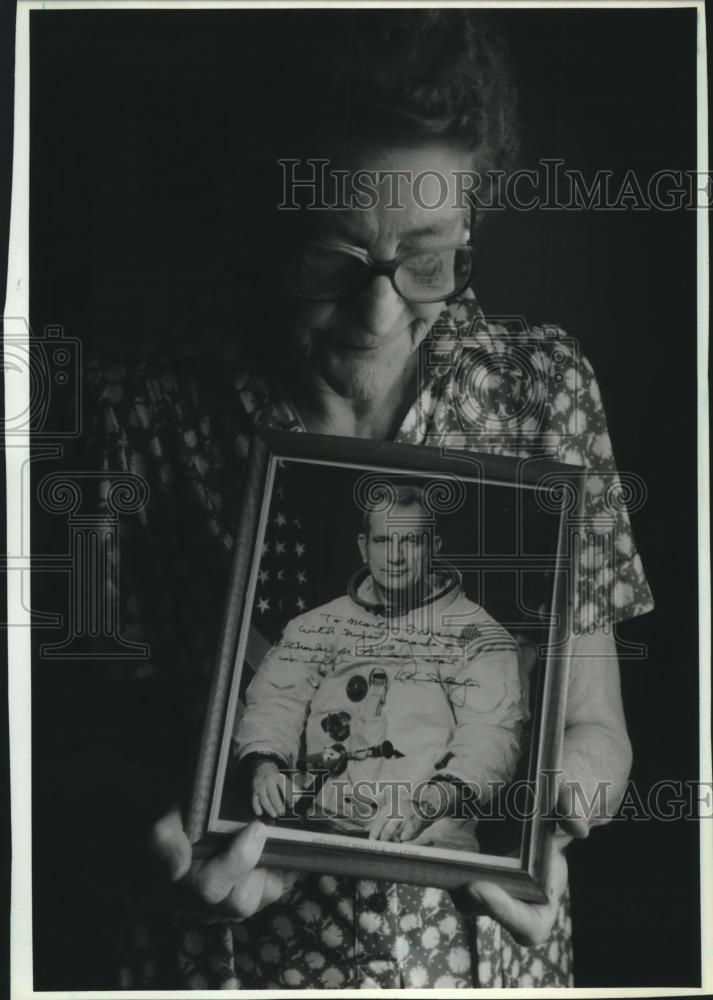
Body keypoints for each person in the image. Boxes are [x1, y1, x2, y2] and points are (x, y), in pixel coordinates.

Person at [85, 9, 653, 989]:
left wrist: (556, 800)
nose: (378, 311)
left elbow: (597, 733)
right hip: (234, 967)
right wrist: (170, 835)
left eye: (425, 259)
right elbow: (83, 750)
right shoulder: (146, 405)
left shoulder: (542, 385)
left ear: (470, 223)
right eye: (330, 260)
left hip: (477, 968)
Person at [235, 484, 525, 846]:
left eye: (411, 542)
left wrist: (426, 805)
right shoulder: (314, 626)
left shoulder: (477, 634)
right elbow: (277, 703)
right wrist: (266, 769)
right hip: (315, 830)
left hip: (424, 838)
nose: (396, 556)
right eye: (383, 541)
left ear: (433, 548)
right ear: (363, 546)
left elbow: (491, 737)